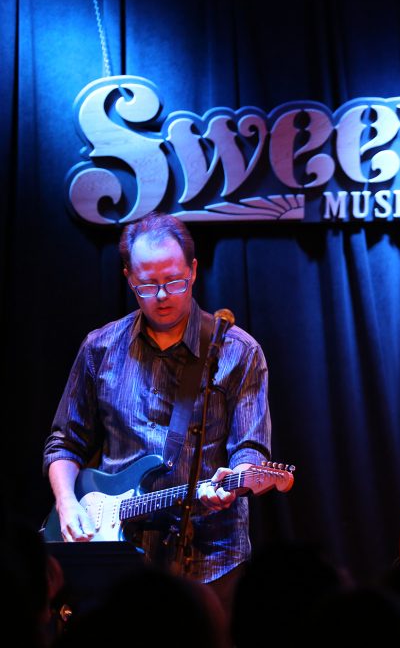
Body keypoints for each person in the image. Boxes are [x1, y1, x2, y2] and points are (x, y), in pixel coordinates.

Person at [43, 212, 272, 602]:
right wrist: (67, 503)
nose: (163, 295)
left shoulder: (239, 351)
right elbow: (65, 442)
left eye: (174, 281)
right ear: (129, 277)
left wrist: (235, 480)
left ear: (193, 271)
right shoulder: (100, 348)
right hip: (115, 557)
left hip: (211, 556)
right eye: (148, 285)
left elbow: (251, 448)